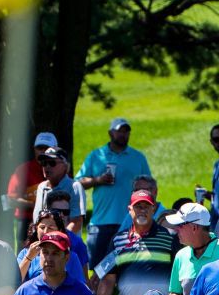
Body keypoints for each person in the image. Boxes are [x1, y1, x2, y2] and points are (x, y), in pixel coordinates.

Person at [93, 190, 179, 295]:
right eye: (138, 207)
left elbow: (178, 275)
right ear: (129, 210)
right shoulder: (118, 240)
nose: (142, 210)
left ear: (154, 210)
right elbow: (108, 278)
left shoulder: (168, 238)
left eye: (147, 207)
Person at [77, 118, 151, 266]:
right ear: (110, 133)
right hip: (100, 222)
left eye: (126, 131)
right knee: (97, 268)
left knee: (126, 267)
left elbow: (149, 188)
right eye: (119, 131)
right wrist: (97, 180)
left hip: (130, 222)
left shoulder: (138, 158)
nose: (123, 134)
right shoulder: (96, 156)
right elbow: (78, 183)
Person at [5, 132, 58, 241]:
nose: (43, 151)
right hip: (26, 221)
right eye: (39, 148)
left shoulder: (60, 171)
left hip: (55, 222)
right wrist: (36, 204)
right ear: (34, 149)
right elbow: (9, 200)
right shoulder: (22, 170)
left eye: (46, 148)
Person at [19, 205, 91, 284]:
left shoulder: (70, 256)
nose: (45, 231)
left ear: (59, 230)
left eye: (51, 227)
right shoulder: (25, 253)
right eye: (42, 227)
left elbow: (80, 287)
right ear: (36, 229)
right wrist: (28, 258)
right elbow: (15, 283)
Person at [29, 147, 87, 234]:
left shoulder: (74, 187)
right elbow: (37, 220)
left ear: (65, 165)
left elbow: (76, 222)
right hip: (45, 243)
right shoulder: (41, 187)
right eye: (44, 163)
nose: (47, 167)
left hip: (67, 244)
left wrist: (59, 240)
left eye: (52, 163)